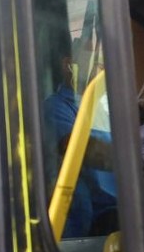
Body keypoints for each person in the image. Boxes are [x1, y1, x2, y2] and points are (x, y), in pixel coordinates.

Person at [42, 54, 117, 237]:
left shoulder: (104, 105)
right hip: (95, 221)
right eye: (94, 61)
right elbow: (79, 149)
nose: (100, 69)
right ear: (67, 64)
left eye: (101, 63)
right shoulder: (56, 106)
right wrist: (128, 159)